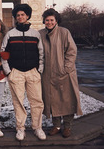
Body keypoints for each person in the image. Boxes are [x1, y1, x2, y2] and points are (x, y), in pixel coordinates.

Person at [0, 3, 46, 141]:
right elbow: (4, 53)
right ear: (16, 17)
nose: (20, 17)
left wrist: (39, 70)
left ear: (27, 16)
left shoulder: (35, 34)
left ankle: (37, 128)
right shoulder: (10, 34)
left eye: (23, 15)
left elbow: (41, 53)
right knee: (18, 102)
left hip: (33, 72)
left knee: (37, 101)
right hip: (16, 73)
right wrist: (9, 72)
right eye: (18, 15)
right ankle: (20, 129)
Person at [39, 8, 82, 138]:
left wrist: (66, 68)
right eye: (47, 20)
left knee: (67, 100)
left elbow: (71, 51)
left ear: (56, 20)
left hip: (64, 73)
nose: (49, 22)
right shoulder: (40, 34)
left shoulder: (64, 32)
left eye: (52, 20)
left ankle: (67, 126)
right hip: (47, 73)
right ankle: (56, 125)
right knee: (53, 100)